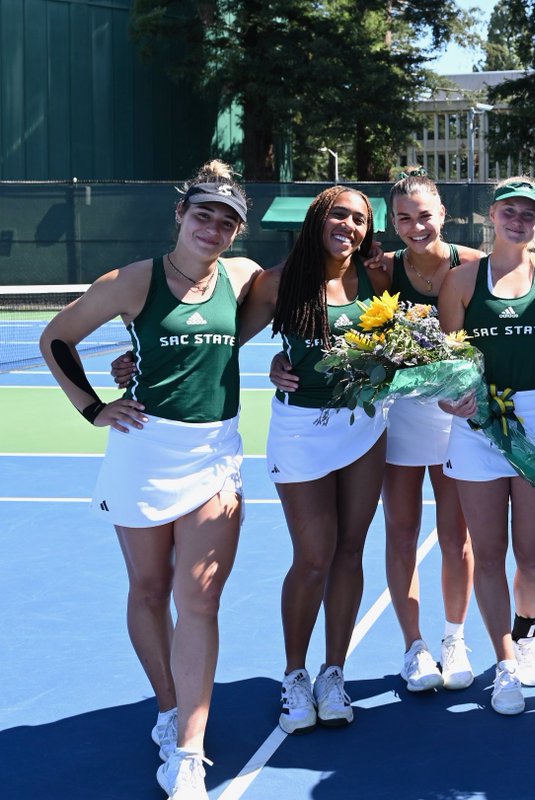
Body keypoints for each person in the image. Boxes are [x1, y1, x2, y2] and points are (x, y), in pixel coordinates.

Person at [40, 161, 260, 798]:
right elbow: (57, 338)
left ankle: (189, 750)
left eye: (227, 221)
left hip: (215, 453)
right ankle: (169, 708)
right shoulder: (132, 281)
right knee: (149, 586)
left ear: (237, 231)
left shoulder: (242, 278)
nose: (213, 229)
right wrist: (94, 408)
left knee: (200, 601)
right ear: (180, 217)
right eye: (203, 215)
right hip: (142, 449)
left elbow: (312, 283)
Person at [271, 170, 488, 693]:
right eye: (405, 218)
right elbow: (340, 327)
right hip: (397, 414)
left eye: (426, 215)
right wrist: (283, 357)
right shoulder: (383, 269)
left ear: (444, 214)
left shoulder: (474, 266)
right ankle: (414, 648)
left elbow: (529, 294)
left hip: (460, 412)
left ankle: (453, 639)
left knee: (458, 536)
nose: (416, 226)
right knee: (401, 531)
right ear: (392, 223)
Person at [240, 186, 391, 736]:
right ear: (318, 218)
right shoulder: (279, 282)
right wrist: (137, 361)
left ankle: (334, 674)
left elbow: (449, 261)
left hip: (365, 427)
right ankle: (295, 676)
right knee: (312, 557)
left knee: (350, 550)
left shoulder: (378, 276)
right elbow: (216, 339)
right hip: (301, 430)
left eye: (359, 219)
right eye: (339, 213)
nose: (348, 225)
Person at [436, 177, 535, 714]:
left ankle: (529, 634)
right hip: (478, 427)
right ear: (492, 215)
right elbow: (450, 362)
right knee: (489, 555)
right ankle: (505, 664)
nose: (519, 220)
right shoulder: (462, 280)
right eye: (509, 210)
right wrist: (454, 400)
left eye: (530, 213)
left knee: (533, 556)